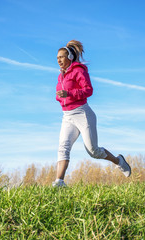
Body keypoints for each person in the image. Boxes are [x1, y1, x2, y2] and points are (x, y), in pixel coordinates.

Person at [52, 40, 131, 187]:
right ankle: (59, 183)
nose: (58, 60)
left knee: (93, 151)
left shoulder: (79, 70)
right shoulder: (60, 75)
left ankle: (119, 161)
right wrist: (61, 96)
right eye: (57, 58)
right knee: (63, 147)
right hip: (67, 116)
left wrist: (68, 93)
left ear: (69, 57)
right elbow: (59, 96)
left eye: (61, 57)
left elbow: (88, 90)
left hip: (82, 114)